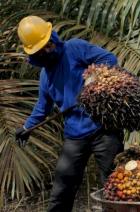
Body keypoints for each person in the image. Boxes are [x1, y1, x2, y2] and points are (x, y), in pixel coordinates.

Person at [15, 16, 124, 212]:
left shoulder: (74, 48)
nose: (49, 49)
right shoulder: (45, 76)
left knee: (115, 184)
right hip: (75, 134)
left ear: (53, 38)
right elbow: (42, 107)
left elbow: (109, 59)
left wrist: (94, 78)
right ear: (35, 54)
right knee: (62, 188)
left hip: (104, 128)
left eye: (49, 44)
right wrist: (26, 128)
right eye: (42, 49)